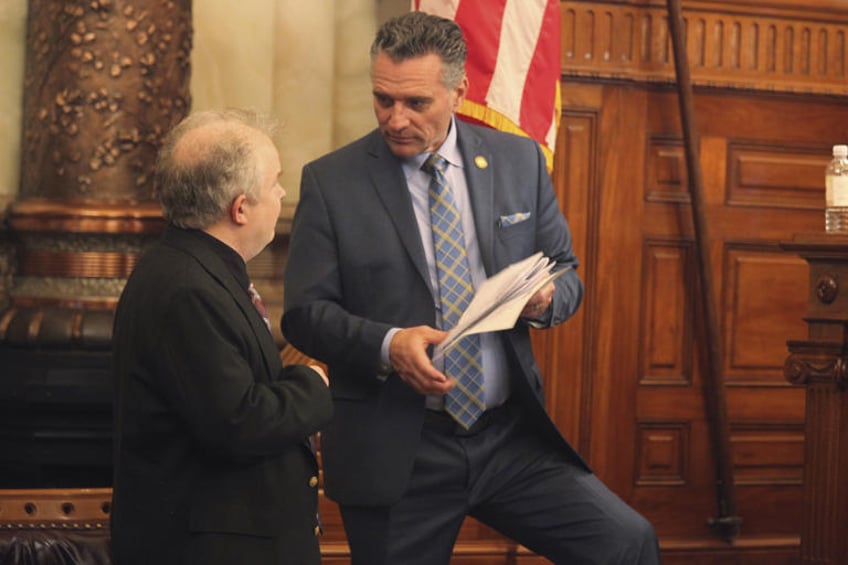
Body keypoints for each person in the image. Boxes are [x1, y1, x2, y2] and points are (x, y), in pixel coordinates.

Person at [282, 11, 660, 565]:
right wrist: (388, 344)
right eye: (383, 99)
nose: (395, 118)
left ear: (458, 91)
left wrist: (547, 298)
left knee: (627, 543)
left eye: (416, 103)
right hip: (399, 449)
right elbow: (305, 314)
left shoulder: (518, 160)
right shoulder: (331, 182)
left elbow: (566, 270)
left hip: (507, 438)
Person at [111, 109, 333, 565]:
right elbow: (239, 422)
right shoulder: (187, 287)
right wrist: (313, 385)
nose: (282, 193)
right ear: (240, 207)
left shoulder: (195, 270)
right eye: (275, 182)